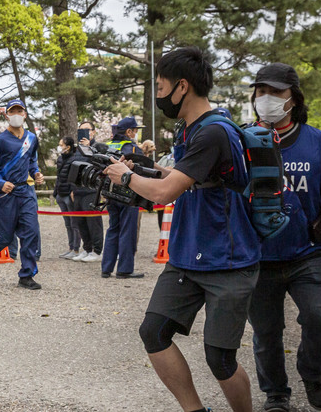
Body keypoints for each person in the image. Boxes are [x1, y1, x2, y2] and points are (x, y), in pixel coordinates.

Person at [105, 47, 260, 412]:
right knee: (153, 332)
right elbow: (178, 178)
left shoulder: (214, 132)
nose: (158, 95)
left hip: (228, 259)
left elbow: (164, 194)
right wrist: (145, 170)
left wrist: (125, 177)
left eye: (159, 87)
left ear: (182, 87)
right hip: (188, 254)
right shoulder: (189, 129)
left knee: (220, 358)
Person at [246, 63, 321, 412]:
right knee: (266, 333)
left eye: (275, 92)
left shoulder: (318, 141)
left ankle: (311, 373)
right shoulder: (240, 140)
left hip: (308, 252)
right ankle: (276, 393)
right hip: (258, 256)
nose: (266, 99)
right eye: (261, 92)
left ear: (293, 98)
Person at [0, 99, 45, 290]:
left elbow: (32, 160)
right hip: (5, 194)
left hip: (26, 191)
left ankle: (27, 275)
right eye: (12, 111)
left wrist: (36, 173)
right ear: (7, 115)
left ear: (24, 114)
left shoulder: (31, 138)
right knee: (4, 236)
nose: (16, 114)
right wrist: (0, 182)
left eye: (20, 111)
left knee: (31, 233)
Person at [102, 117, 145, 279]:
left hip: (110, 192)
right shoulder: (132, 149)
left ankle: (106, 268)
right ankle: (125, 269)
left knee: (113, 228)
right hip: (128, 194)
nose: (136, 134)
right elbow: (142, 168)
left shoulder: (109, 146)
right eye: (135, 130)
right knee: (128, 230)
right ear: (128, 132)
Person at [71, 121, 104, 263]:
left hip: (92, 190)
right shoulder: (76, 149)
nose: (84, 133)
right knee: (81, 222)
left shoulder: (98, 147)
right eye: (81, 130)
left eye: (87, 130)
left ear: (93, 132)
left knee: (93, 221)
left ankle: (97, 250)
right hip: (78, 190)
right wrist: (72, 189)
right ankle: (87, 248)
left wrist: (89, 147)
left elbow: (102, 164)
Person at [54, 136, 81, 259]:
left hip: (69, 195)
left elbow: (75, 177)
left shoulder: (75, 159)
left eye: (61, 144)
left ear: (68, 147)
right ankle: (70, 248)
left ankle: (76, 249)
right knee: (67, 224)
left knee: (74, 223)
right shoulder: (60, 159)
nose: (60, 146)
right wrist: (56, 192)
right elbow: (59, 176)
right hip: (61, 194)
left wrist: (73, 191)